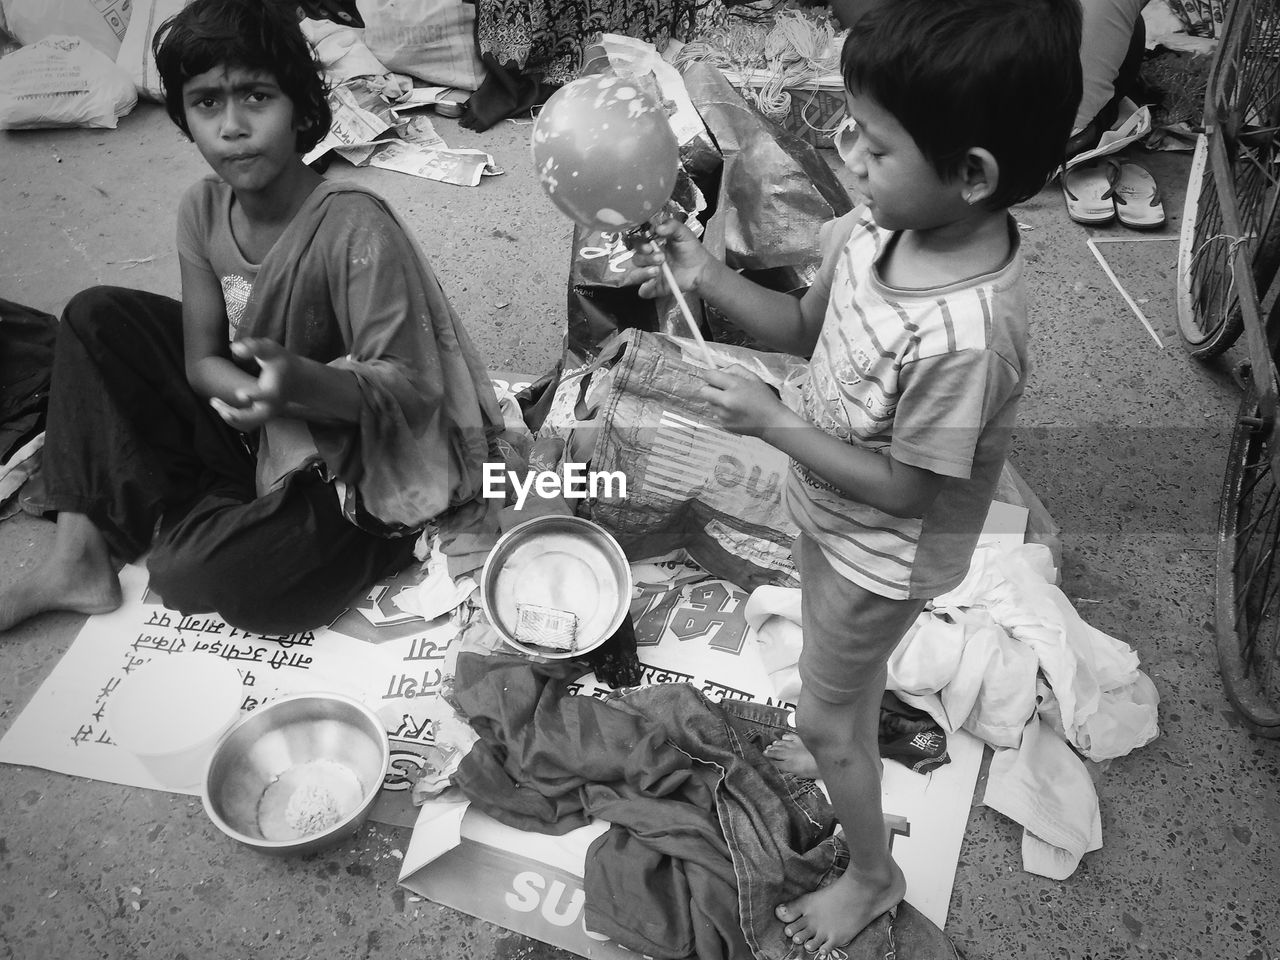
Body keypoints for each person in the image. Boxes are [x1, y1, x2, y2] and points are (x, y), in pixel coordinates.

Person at [631, 0, 1081, 953]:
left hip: (884, 548)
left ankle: (874, 873)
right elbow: (800, 327)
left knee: (824, 703)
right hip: (833, 516)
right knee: (841, 683)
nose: (849, 153)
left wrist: (775, 422)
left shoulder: (968, 334)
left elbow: (910, 491)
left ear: (972, 175)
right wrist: (700, 272)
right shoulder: (880, 230)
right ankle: (845, 721)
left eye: (874, 142)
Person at [0, 0, 501, 635]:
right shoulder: (202, 210)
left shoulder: (353, 225)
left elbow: (411, 390)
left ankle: (323, 532)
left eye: (257, 97)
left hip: (362, 463)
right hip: (263, 428)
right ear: (184, 115)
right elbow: (201, 360)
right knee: (95, 317)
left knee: (191, 573)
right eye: (207, 103)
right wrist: (252, 395)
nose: (232, 126)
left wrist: (296, 386)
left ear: (301, 110)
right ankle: (77, 559)